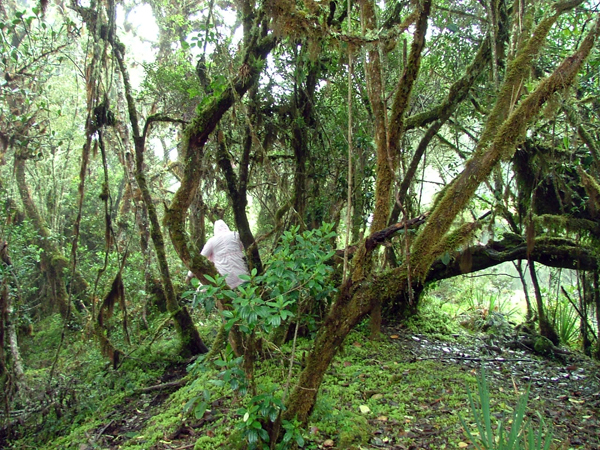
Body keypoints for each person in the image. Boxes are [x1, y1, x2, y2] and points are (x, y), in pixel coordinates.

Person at [187, 220, 249, 289]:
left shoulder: (212, 241)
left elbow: (201, 258)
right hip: (242, 275)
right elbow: (244, 247)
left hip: (225, 279)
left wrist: (189, 275)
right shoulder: (235, 235)